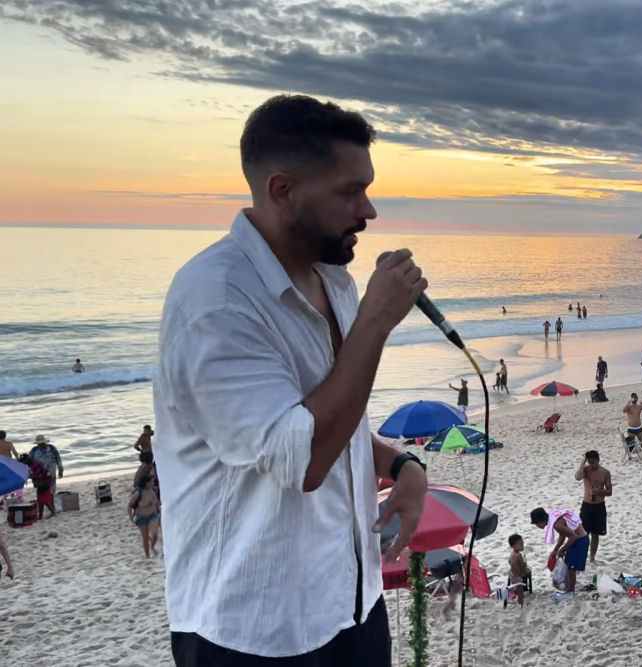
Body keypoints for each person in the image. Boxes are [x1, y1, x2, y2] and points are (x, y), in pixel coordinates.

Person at [153, 95, 428, 665]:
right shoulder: (217, 302)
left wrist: (400, 465)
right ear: (283, 190)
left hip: (351, 601)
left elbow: (332, 415)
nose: (368, 211)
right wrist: (375, 323)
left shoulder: (337, 281)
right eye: (350, 192)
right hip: (254, 628)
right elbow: (300, 457)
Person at [530, 507, 589, 595]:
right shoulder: (554, 519)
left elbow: (574, 536)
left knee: (571, 568)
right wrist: (555, 550)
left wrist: (563, 549)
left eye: (536, 524)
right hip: (577, 540)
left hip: (580, 541)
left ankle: (571, 591)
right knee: (568, 564)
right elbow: (563, 535)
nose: (537, 526)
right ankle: (570, 589)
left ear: (541, 521)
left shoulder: (557, 524)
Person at [574, 450, 612, 564]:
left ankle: (592, 557)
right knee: (583, 533)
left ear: (598, 461)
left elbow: (610, 491)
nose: (591, 465)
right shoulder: (585, 470)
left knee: (596, 534)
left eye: (593, 462)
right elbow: (577, 477)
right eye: (589, 462)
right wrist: (583, 461)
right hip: (586, 505)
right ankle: (582, 555)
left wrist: (599, 491)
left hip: (599, 506)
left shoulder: (605, 472)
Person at [129, 469, 162, 558]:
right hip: (142, 517)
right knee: (145, 537)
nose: (152, 483)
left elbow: (156, 504)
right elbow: (130, 505)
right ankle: (147, 555)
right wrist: (131, 517)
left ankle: (152, 547)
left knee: (154, 534)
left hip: (153, 515)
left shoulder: (152, 492)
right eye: (151, 481)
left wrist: (159, 512)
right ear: (146, 483)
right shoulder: (138, 493)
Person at [23, 453, 55, 519]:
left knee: (43, 500)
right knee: (40, 500)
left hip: (44, 482)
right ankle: (40, 516)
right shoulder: (33, 464)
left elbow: (39, 475)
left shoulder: (35, 465)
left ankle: (53, 512)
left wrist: (30, 476)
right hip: (43, 483)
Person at [507, 534, 528, 606]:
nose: (522, 546)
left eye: (522, 543)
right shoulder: (519, 555)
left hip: (512, 574)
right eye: (520, 544)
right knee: (520, 591)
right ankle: (520, 602)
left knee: (516, 588)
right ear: (513, 546)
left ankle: (515, 594)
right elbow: (523, 567)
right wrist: (525, 561)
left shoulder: (512, 553)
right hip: (517, 577)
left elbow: (509, 562)